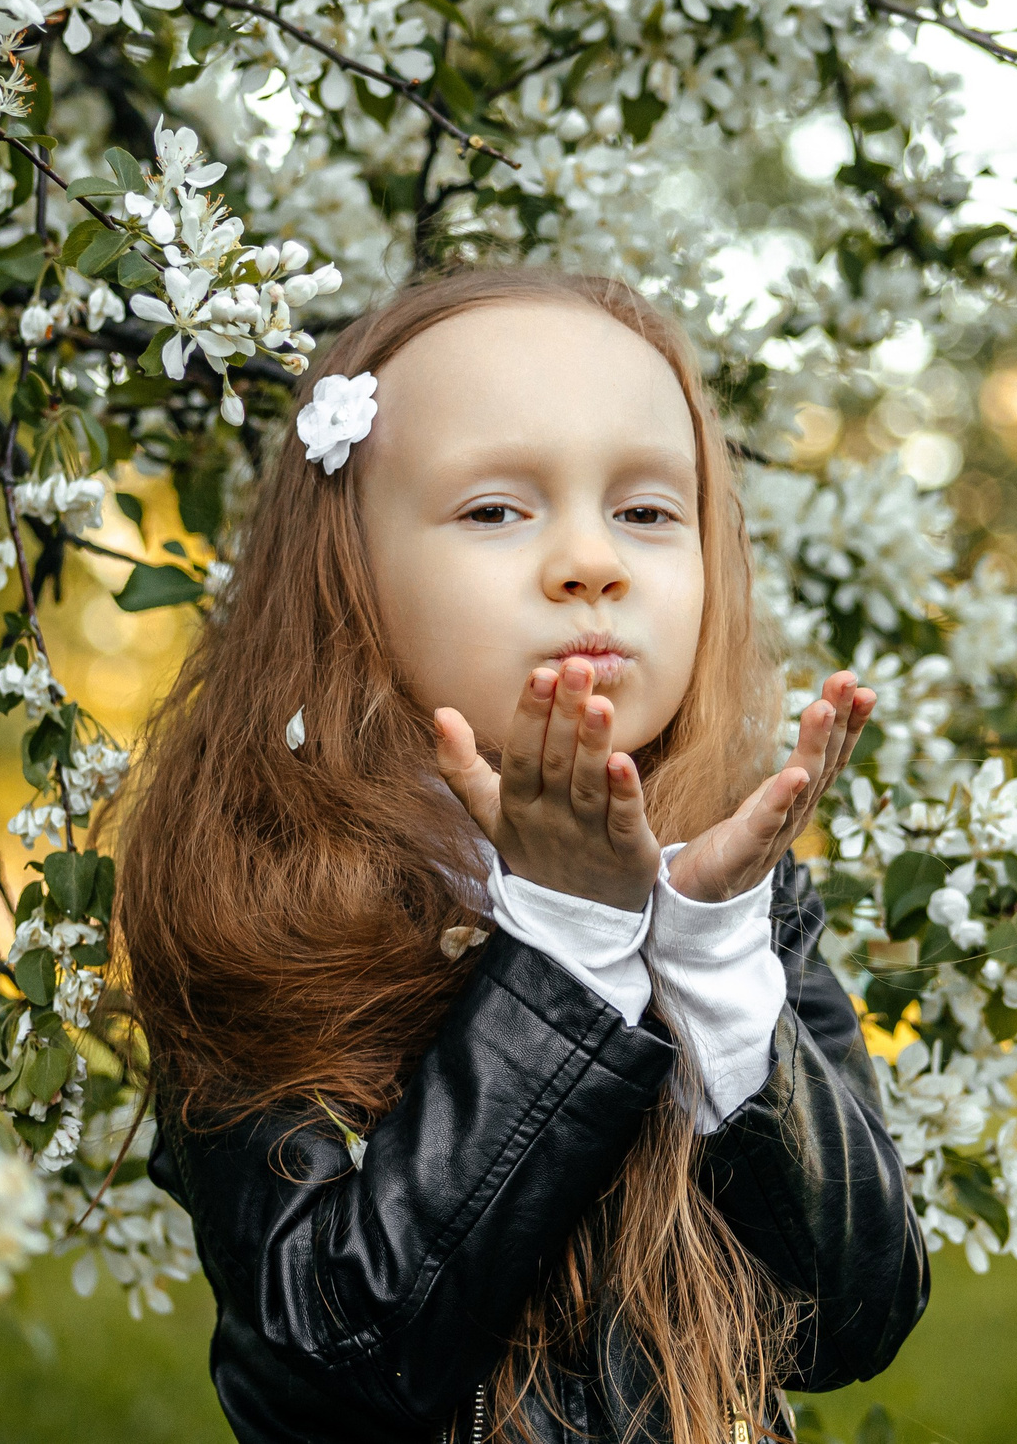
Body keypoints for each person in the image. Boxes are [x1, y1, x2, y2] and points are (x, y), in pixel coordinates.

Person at [114, 268, 929, 1444]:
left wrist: (704, 961)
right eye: (495, 510)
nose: (590, 563)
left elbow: (853, 1320)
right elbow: (327, 1357)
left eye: (649, 512)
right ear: (346, 568)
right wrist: (568, 953)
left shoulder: (732, 890)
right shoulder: (254, 891)